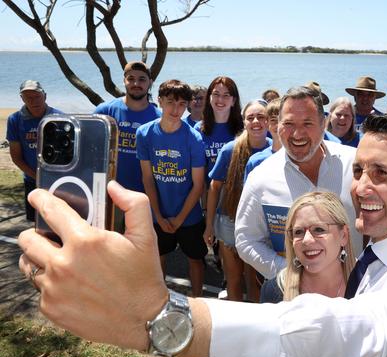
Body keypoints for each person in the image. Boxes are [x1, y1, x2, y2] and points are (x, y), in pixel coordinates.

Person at [18, 113, 387, 357]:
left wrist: (162, 316)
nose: (361, 187)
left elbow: (362, 335)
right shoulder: (372, 258)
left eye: (382, 174)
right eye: (358, 170)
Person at [235, 87, 362, 280]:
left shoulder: (355, 165)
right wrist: (289, 275)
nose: (297, 133)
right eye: (289, 123)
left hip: (355, 288)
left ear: (323, 123)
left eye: (307, 123)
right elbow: (247, 240)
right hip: (291, 295)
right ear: (277, 125)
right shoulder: (260, 178)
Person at [136, 79, 206, 297]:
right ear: (159, 101)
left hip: (189, 216)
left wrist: (179, 218)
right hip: (159, 214)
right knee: (158, 257)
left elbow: (198, 185)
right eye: (170, 103)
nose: (176, 110)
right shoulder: (144, 134)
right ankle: (159, 299)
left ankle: (198, 301)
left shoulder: (193, 138)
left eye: (182, 104)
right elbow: (148, 178)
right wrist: (158, 214)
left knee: (195, 259)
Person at [203, 100, 271, 302]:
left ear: (269, 121)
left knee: (254, 280)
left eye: (261, 117)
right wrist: (209, 226)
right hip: (228, 221)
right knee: (234, 280)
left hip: (259, 224)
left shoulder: (274, 150)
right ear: (244, 122)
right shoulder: (230, 150)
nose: (256, 121)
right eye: (251, 117)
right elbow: (214, 187)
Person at [94, 61, 161, 232]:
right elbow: (90, 147)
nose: (136, 84)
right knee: (109, 242)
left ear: (150, 83)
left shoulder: (158, 118)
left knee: (141, 246)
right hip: (111, 193)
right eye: (131, 79)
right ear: (124, 81)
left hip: (144, 196)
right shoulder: (105, 111)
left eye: (142, 79)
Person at [260, 191, 356, 303]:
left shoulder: (368, 284)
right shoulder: (274, 292)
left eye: (319, 229)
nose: (307, 240)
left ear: (343, 235)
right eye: (298, 232)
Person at [6, 80, 62, 222]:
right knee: (36, 222)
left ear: (45, 96)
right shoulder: (15, 120)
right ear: (22, 99)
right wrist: (36, 177)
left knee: (58, 219)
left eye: (37, 96)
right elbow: (16, 157)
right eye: (28, 97)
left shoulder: (60, 117)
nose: (33, 101)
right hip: (32, 180)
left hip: (57, 179)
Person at [194, 76, 243, 187]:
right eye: (216, 94)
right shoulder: (198, 129)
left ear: (233, 100)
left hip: (236, 192)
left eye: (226, 95)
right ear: (209, 98)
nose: (220, 100)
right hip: (208, 191)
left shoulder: (243, 129)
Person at [243, 98, 282, 180]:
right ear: (267, 124)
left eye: (283, 120)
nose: (278, 125)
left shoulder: (300, 158)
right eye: (274, 120)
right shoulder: (256, 161)